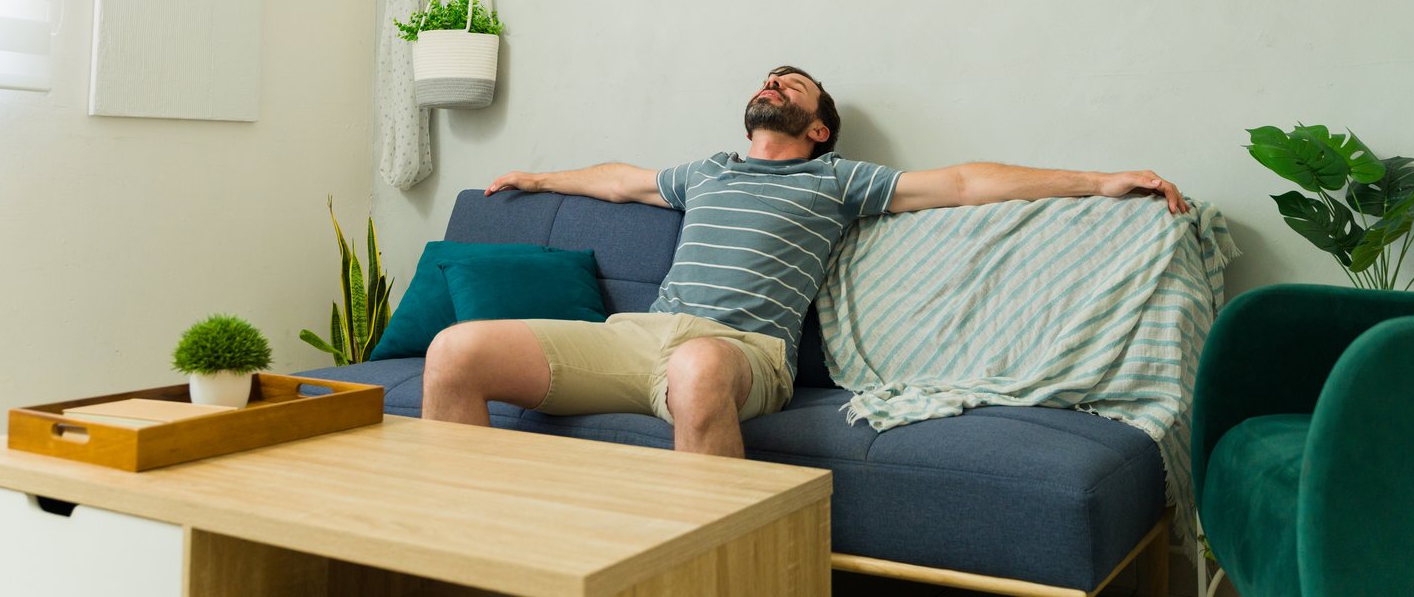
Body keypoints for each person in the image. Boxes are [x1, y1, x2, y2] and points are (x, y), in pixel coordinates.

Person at [422, 65, 1188, 457]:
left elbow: (961, 182)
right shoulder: (708, 171)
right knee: (457, 351)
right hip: (638, 337)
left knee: (696, 370)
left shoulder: (836, 179)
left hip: (741, 353)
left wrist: (1099, 180)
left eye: (793, 82)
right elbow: (622, 181)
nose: (773, 81)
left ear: (819, 128)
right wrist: (538, 177)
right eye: (768, 76)